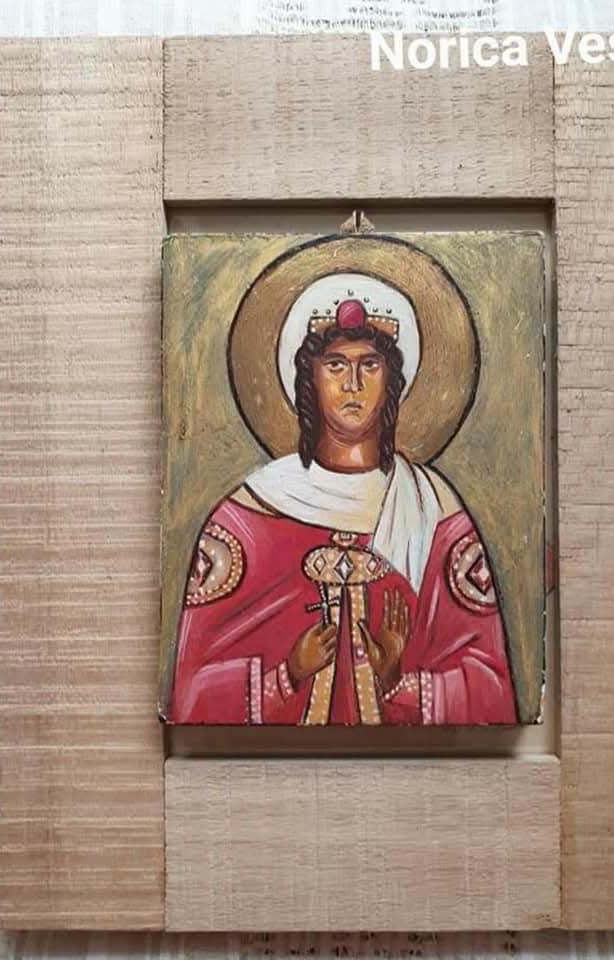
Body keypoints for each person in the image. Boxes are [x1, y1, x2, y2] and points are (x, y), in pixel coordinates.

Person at [169, 273, 517, 725]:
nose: (353, 383)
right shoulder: (246, 519)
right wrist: (287, 675)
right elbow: (189, 694)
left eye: (369, 364)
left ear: (392, 381)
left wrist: (397, 683)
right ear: (308, 379)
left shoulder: (436, 513)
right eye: (335, 364)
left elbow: (491, 690)